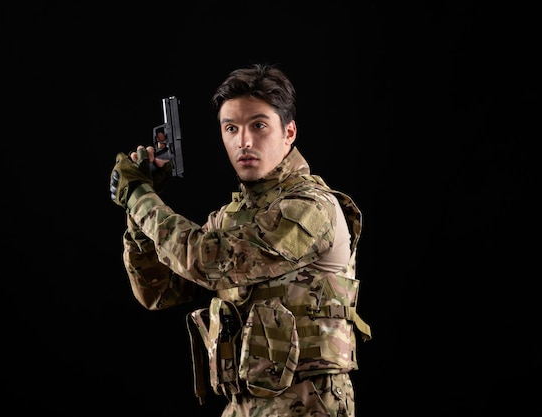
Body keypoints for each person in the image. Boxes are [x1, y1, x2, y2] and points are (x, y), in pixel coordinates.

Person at [109, 63, 372, 417]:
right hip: (243, 406)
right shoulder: (230, 218)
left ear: (289, 132)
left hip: (309, 405)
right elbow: (159, 291)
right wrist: (137, 215)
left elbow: (207, 263)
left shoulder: (311, 207)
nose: (244, 141)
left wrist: (140, 197)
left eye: (259, 125)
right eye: (231, 128)